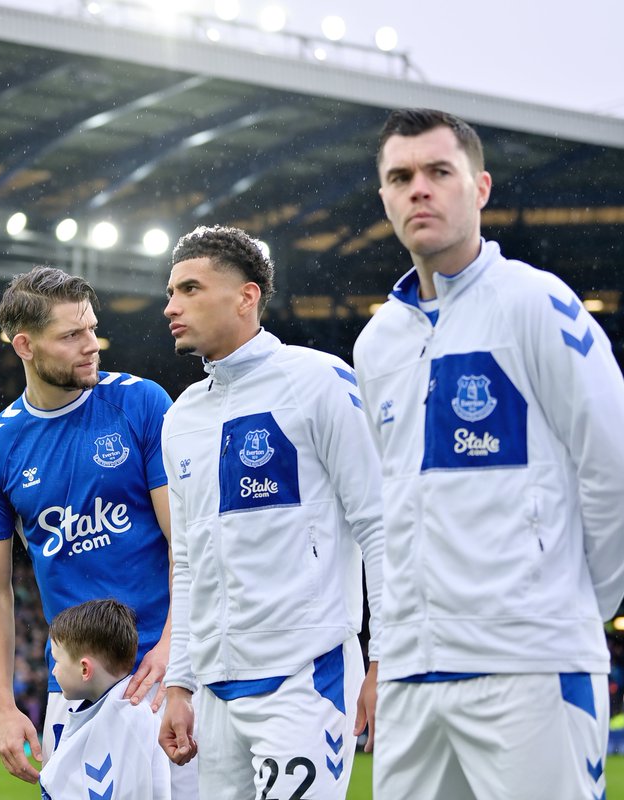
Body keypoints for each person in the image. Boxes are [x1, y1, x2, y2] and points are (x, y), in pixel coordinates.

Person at [353, 108, 624, 800]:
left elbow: (612, 465)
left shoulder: (538, 304)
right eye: (401, 176)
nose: (420, 189)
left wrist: (574, 608)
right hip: (415, 673)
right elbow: (389, 510)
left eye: (439, 172)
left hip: (528, 663)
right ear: (383, 197)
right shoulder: (375, 345)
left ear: (480, 189)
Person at [158, 225, 384, 800]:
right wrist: (181, 683)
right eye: (170, 292)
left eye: (189, 289)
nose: (170, 307)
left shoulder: (319, 381)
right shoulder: (181, 417)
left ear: (246, 296)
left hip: (305, 678)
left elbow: (380, 526)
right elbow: (187, 562)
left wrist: (387, 657)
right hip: (213, 689)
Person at [0, 265, 194, 795]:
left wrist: (171, 647)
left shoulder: (140, 402)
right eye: (71, 335)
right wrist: (2, 706)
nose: (92, 345)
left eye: (91, 328)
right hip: (75, 689)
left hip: (162, 674)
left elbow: (183, 542)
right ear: (24, 344)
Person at [38, 599, 172, 800]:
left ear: (85, 669)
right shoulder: (121, 716)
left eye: (57, 660)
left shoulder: (133, 721)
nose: (54, 670)